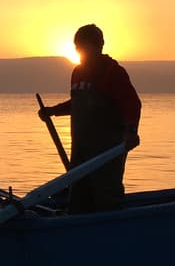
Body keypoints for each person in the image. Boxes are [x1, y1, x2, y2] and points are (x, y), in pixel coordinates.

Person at [38, 23, 140, 213]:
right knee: (78, 196)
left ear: (98, 46)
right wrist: (52, 111)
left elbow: (132, 104)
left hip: (106, 151)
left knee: (106, 196)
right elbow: (77, 104)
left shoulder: (113, 72)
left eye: (83, 47)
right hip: (80, 150)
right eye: (77, 47)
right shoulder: (78, 72)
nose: (80, 51)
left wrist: (131, 131)